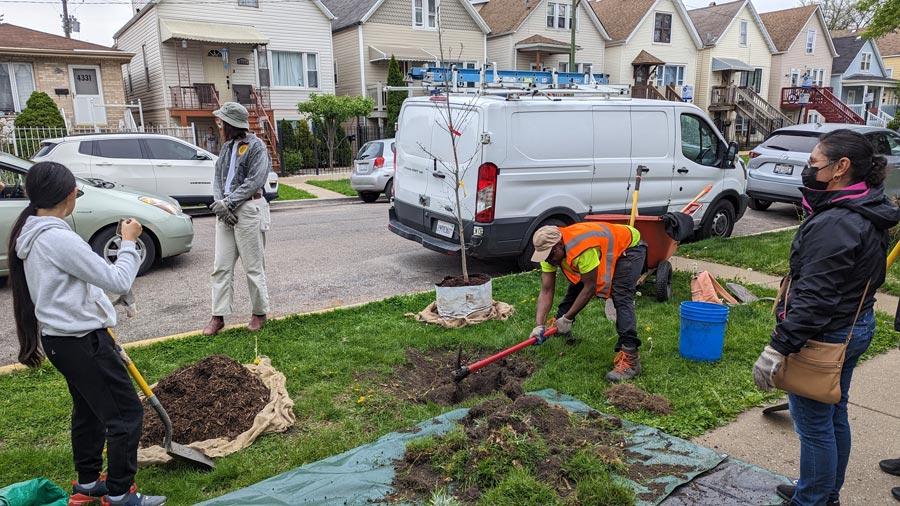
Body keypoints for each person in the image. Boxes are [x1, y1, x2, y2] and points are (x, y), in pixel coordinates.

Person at [752, 130, 900, 506]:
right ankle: (820, 491)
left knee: (815, 424)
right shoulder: (865, 206)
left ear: (841, 168)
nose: (807, 169)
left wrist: (778, 348)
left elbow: (816, 299)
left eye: (814, 163)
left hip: (826, 334)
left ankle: (813, 499)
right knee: (834, 413)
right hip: (853, 324)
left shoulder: (836, 223)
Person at [8, 162, 166, 506]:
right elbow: (118, 280)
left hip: (62, 341)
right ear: (69, 196)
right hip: (82, 342)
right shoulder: (56, 237)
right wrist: (128, 242)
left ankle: (89, 483)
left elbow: (78, 285)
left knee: (90, 409)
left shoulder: (34, 231)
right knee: (125, 414)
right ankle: (122, 493)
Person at [530, 222, 647, 382]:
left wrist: (568, 318)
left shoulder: (581, 249)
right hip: (602, 247)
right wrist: (539, 325)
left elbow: (590, 287)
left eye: (551, 256)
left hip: (629, 246)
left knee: (621, 296)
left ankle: (631, 360)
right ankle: (561, 329)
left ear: (559, 244)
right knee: (575, 287)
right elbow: (547, 290)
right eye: (545, 257)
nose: (549, 261)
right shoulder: (549, 253)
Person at [203, 102, 272, 336]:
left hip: (248, 208)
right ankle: (218, 315)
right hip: (226, 212)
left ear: (231, 123)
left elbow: (254, 180)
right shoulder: (226, 148)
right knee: (220, 267)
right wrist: (220, 205)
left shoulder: (256, 147)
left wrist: (229, 203)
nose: (219, 124)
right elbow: (218, 178)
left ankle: (260, 312)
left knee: (253, 266)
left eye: (222, 120)